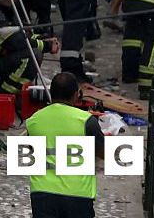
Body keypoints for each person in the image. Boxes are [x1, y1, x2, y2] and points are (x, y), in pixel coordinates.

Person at [26, 72, 105, 218]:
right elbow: (104, 153)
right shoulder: (86, 121)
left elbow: (30, 152)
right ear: (76, 95)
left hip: (42, 194)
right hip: (77, 195)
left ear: (50, 92)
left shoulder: (33, 120)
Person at [0, 0, 59, 93]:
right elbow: (17, 42)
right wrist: (47, 46)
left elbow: (23, 35)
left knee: (36, 51)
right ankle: (5, 93)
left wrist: (44, 39)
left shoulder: (6, 11)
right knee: (30, 56)